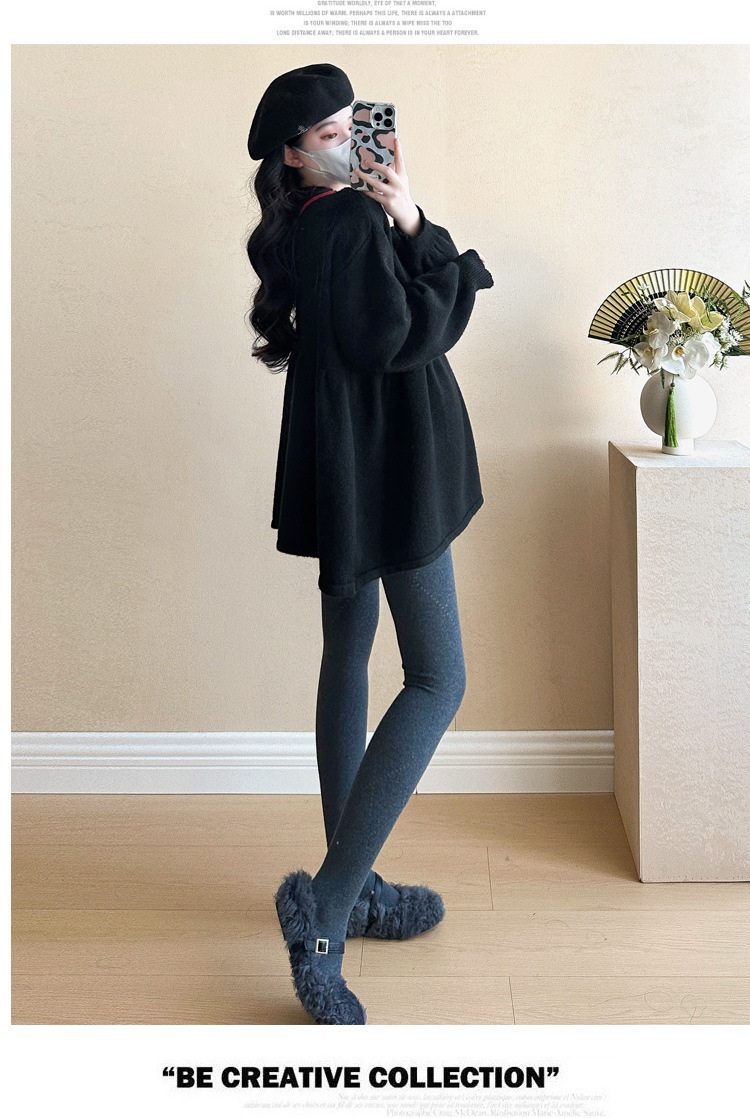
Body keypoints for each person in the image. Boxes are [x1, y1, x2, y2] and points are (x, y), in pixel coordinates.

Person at [245, 63, 494, 1025]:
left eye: (357, 124)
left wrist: (405, 216)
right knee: (438, 678)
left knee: (347, 653)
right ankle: (328, 911)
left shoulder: (312, 222)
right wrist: (427, 239)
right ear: (292, 154)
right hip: (392, 464)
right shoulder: (350, 220)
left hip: (343, 457)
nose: (351, 142)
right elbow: (402, 337)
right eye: (330, 134)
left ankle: (352, 885)